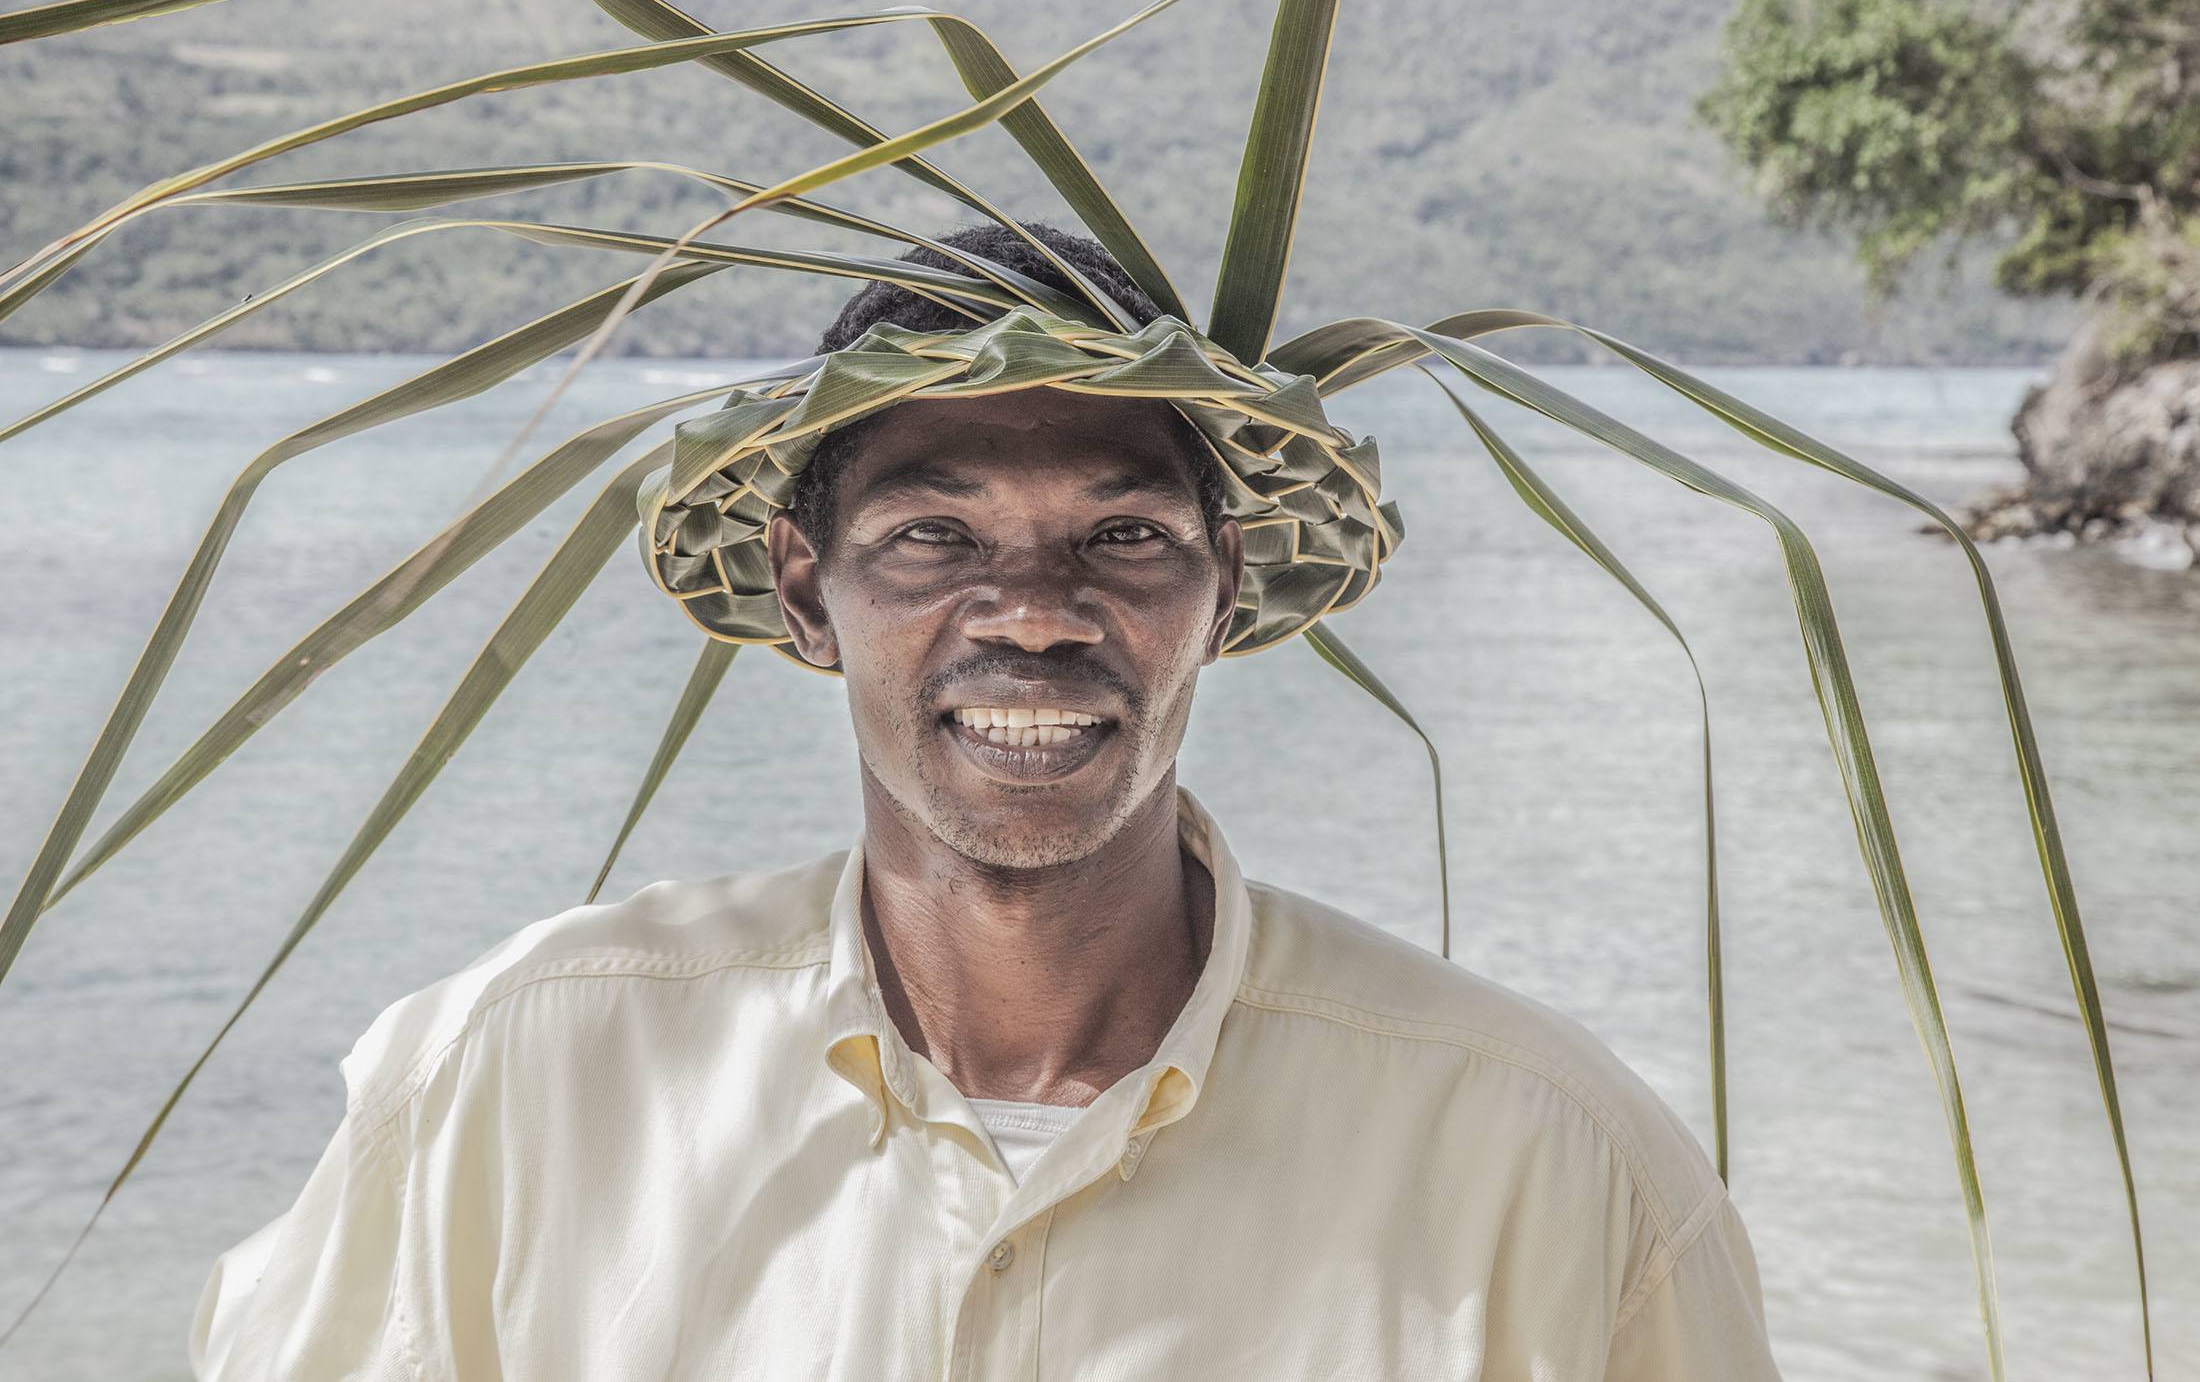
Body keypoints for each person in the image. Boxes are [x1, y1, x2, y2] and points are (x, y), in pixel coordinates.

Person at [188, 222, 1783, 1380]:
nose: (1032, 611)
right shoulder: (520, 1074)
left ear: (1223, 589)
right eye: (934, 538)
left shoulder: (1546, 1156)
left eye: (1124, 536)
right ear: (807, 596)